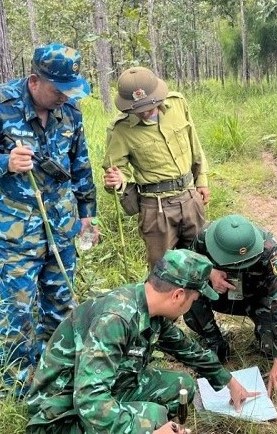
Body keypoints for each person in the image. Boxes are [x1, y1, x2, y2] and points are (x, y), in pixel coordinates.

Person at [26, 249, 258, 434]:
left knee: (183, 387)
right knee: (154, 416)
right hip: (62, 412)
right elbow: (90, 399)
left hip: (107, 383)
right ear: (177, 295)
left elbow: (186, 348)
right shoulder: (115, 319)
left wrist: (228, 381)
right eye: (194, 299)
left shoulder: (148, 306)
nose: (193, 305)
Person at [0, 42, 97, 396]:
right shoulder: (3, 107)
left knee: (61, 307)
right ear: (34, 81)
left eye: (70, 90)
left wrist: (88, 216)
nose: (65, 98)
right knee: (18, 315)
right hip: (15, 236)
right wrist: (6, 164)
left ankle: (59, 375)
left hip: (60, 230)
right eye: (59, 90)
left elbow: (80, 166)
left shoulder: (70, 112)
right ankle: (20, 388)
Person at [103, 66, 209, 269]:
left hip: (190, 198)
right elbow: (116, 173)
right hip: (156, 209)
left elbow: (194, 143)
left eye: (149, 107)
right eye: (138, 110)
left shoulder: (177, 104)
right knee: (163, 272)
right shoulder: (120, 130)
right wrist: (117, 182)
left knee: (201, 263)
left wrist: (201, 180)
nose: (144, 113)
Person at [183, 214, 277, 397]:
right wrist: (209, 272)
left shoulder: (270, 249)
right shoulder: (204, 237)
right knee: (187, 296)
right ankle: (215, 342)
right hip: (220, 295)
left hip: (257, 298)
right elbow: (188, 266)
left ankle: (265, 339)